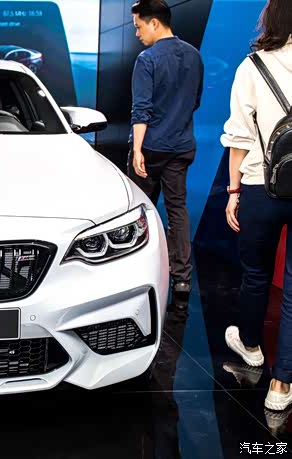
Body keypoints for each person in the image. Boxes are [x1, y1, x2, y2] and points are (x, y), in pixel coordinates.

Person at [222, 0, 292, 411]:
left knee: (255, 274)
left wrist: (233, 192)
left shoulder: (252, 67)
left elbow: (239, 137)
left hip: (259, 186)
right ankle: (281, 386)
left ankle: (250, 346)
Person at [128, 0, 203, 297]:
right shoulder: (194, 55)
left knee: (137, 215)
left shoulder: (146, 59)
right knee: (177, 211)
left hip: (150, 148)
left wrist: (137, 149)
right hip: (180, 146)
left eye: (139, 27)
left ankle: (136, 274)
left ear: (155, 23)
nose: (137, 34)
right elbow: (195, 101)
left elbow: (141, 110)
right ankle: (182, 279)